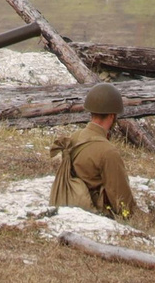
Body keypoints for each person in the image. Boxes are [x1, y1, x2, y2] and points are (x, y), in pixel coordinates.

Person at [48, 84, 139, 219]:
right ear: (112, 116)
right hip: (94, 214)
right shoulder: (108, 152)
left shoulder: (74, 137)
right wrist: (136, 218)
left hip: (69, 205)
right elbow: (121, 199)